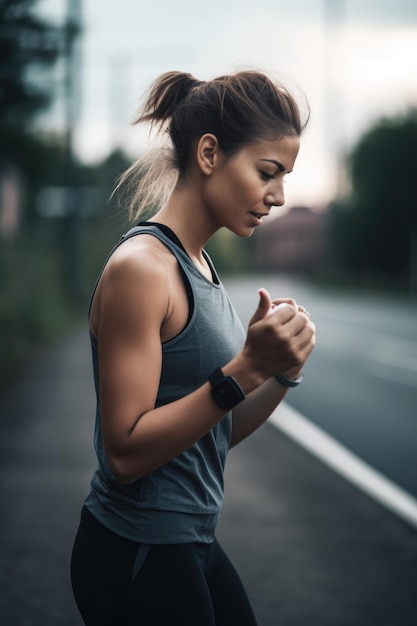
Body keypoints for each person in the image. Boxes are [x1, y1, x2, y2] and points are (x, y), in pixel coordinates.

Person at [71, 69, 316, 626]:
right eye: (267, 173)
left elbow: (214, 432)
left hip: (191, 540)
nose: (278, 197)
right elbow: (125, 454)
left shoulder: (200, 266)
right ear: (209, 153)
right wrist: (243, 369)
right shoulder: (142, 269)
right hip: (134, 548)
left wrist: (277, 373)